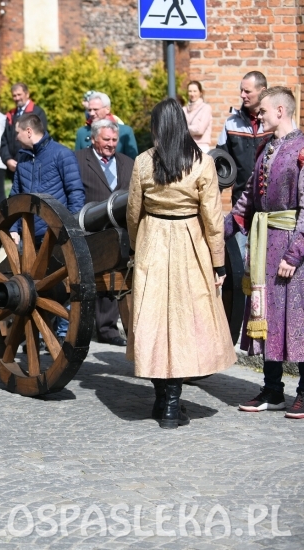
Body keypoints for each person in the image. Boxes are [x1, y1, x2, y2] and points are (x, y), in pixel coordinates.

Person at [126, 98, 236, 429]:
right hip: (191, 244)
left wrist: (135, 246)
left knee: (154, 321)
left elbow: (133, 212)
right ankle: (172, 404)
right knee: (185, 322)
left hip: (153, 241)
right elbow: (214, 220)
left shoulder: (144, 162)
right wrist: (218, 264)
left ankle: (164, 400)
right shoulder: (201, 163)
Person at [223, 87, 304, 419]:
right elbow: (247, 201)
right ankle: (272, 390)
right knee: (266, 317)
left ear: (281, 111)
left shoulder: (302, 148)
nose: (259, 116)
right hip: (263, 245)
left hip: (291, 247)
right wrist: (219, 232)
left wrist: (295, 253)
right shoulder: (265, 149)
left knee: (297, 318)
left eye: (265, 111)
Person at [9, 113, 85, 344]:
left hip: (56, 235)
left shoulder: (62, 155)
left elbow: (75, 193)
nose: (16, 137)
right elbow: (15, 197)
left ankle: (61, 333)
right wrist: (13, 227)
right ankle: (36, 334)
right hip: (31, 238)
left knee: (63, 287)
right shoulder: (23, 160)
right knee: (33, 290)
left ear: (29, 131)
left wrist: (70, 228)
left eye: (18, 132)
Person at [75, 119, 134, 346]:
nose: (111, 144)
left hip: (118, 229)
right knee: (89, 278)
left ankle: (108, 329)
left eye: (114, 140)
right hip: (88, 225)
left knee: (115, 277)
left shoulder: (127, 163)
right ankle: (85, 325)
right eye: (106, 140)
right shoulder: (78, 160)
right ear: (94, 138)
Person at [217, 71, 272, 205]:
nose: (242, 95)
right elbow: (220, 165)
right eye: (241, 90)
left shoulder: (277, 121)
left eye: (247, 91)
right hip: (241, 201)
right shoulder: (231, 124)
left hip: (272, 202)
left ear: (262, 91)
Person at [0, 83, 48, 175]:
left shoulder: (37, 113)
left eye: (19, 95)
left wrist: (22, 159)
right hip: (13, 166)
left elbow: (40, 138)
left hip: (31, 164)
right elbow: (4, 140)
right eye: (14, 95)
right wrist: (7, 159)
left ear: (27, 94)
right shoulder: (11, 115)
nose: (17, 98)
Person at [75, 92, 138, 157]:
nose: (91, 113)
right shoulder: (82, 133)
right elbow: (77, 161)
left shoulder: (125, 132)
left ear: (107, 109)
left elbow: (132, 162)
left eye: (95, 109)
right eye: (89, 110)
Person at [183, 81, 213, 153]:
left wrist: (185, 129)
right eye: (190, 91)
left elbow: (200, 130)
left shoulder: (206, 108)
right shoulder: (184, 109)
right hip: (187, 146)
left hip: (201, 147)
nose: (192, 94)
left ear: (200, 92)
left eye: (195, 91)